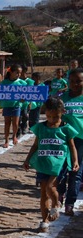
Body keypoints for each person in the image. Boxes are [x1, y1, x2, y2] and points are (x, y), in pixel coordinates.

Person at [23, 97, 79, 232]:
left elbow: (72, 146)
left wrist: (75, 161)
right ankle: (44, 220)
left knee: (50, 186)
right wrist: (27, 159)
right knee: (43, 192)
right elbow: (35, 145)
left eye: (56, 117)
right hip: (43, 162)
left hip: (58, 163)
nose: (52, 120)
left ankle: (55, 204)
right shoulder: (41, 128)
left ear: (62, 113)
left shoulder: (66, 128)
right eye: (49, 116)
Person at [57, 68, 83, 216]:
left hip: (80, 140)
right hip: (63, 139)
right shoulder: (62, 98)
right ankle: (59, 195)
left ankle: (70, 203)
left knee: (76, 171)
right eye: (72, 81)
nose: (75, 84)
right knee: (60, 169)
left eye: (78, 81)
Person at [0, 64, 26, 148]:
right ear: (11, 72)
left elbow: (26, 94)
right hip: (7, 105)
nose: (18, 74)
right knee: (7, 123)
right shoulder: (4, 83)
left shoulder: (22, 83)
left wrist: (24, 99)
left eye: (20, 73)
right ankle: (6, 140)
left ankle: (14, 136)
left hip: (16, 105)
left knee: (15, 123)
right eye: (17, 72)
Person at [18, 65, 34, 137]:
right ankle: (18, 129)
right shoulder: (17, 81)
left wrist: (30, 102)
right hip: (18, 102)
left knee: (25, 116)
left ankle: (23, 127)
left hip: (25, 103)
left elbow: (31, 92)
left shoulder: (29, 81)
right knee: (18, 117)